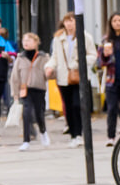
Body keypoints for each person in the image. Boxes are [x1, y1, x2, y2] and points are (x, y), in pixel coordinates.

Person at [8, 31, 52, 150]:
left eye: (29, 40)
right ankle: (26, 140)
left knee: (38, 114)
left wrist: (50, 73)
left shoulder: (43, 57)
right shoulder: (20, 58)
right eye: (24, 40)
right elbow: (15, 77)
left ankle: (43, 132)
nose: (26, 43)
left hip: (39, 89)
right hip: (25, 89)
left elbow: (50, 73)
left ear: (36, 42)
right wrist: (15, 94)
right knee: (26, 113)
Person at [50, 12, 86, 144]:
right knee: (68, 106)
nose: (70, 24)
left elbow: (92, 55)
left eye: (72, 21)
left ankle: (79, 133)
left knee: (78, 105)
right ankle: (73, 134)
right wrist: (49, 67)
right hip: (63, 77)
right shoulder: (58, 39)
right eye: (67, 21)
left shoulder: (84, 36)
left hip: (78, 76)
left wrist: (79, 62)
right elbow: (55, 56)